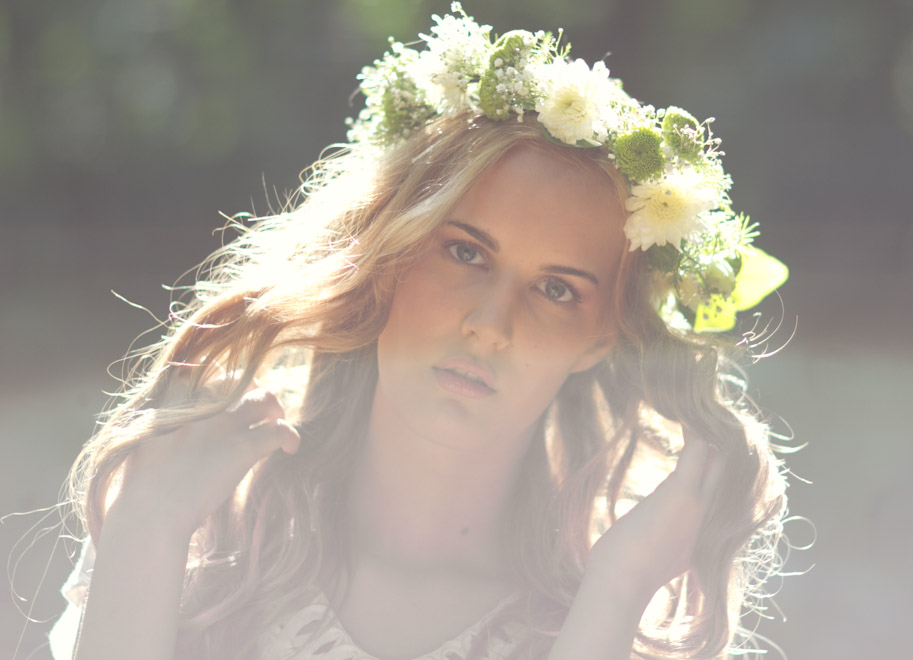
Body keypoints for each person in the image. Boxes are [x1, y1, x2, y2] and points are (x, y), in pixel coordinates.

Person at [51, 6, 792, 660]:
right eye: (465, 252)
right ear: (391, 256)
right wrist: (145, 533)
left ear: (598, 343)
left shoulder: (622, 623)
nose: (490, 324)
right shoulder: (199, 541)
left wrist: (616, 590)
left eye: (557, 290)